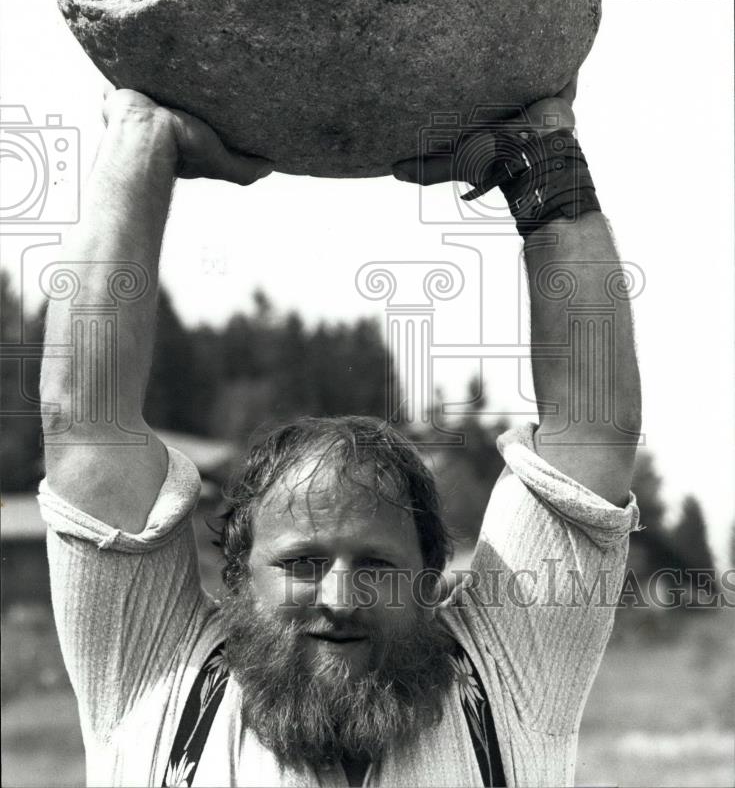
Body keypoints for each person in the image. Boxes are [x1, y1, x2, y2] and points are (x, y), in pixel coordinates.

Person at [39, 81, 641, 788]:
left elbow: (592, 424)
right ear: (237, 580)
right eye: (300, 564)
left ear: (428, 582)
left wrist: (543, 155)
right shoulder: (154, 678)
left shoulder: (505, 686)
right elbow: (82, 423)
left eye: (379, 567)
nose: (339, 596)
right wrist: (138, 143)